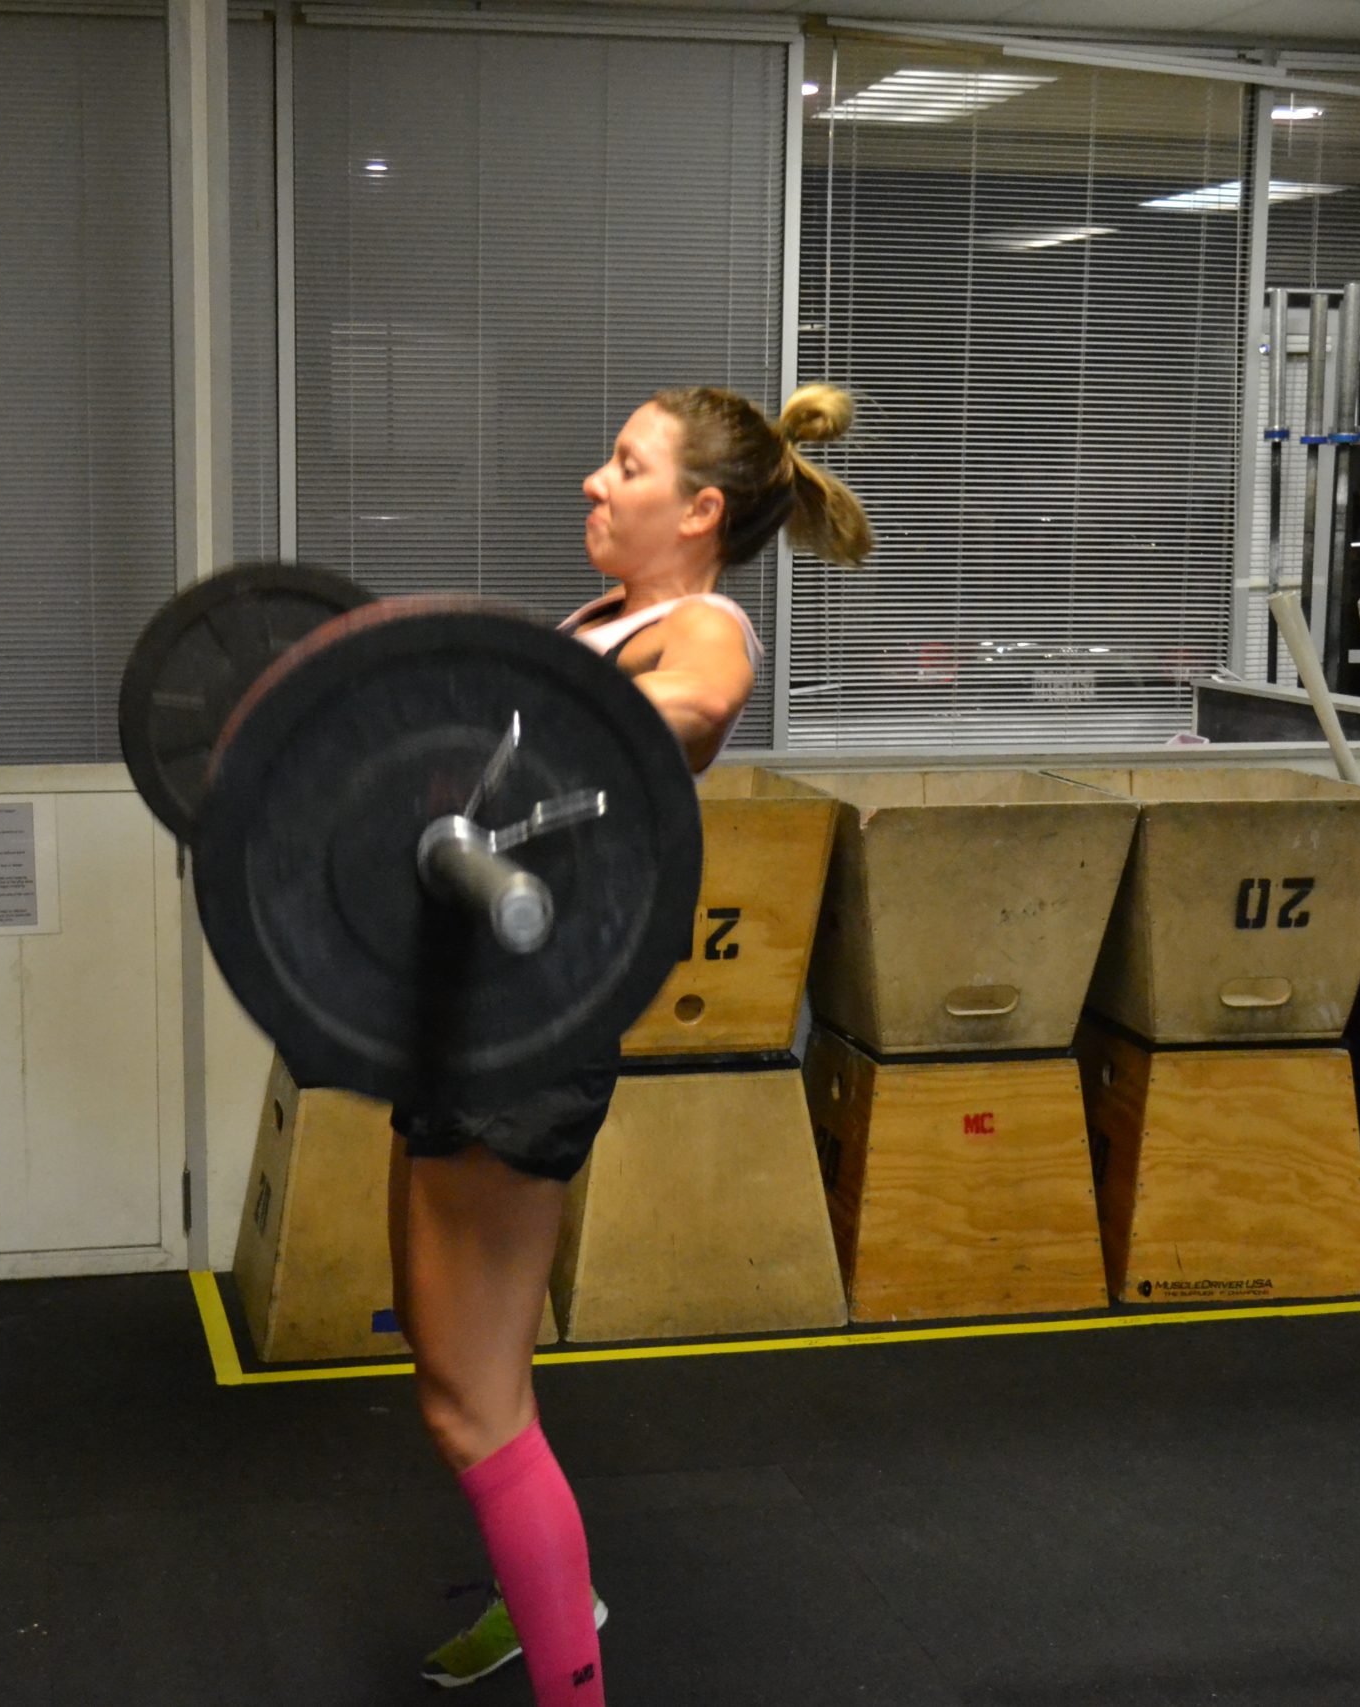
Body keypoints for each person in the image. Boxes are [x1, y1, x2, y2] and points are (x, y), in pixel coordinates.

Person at [394, 383, 873, 1700]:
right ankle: (543, 1593)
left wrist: (565, 729)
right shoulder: (594, 624)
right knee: (448, 1357)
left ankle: (570, 1665)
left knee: (471, 1402)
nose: (593, 483)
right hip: (467, 1009)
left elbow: (700, 707)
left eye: (626, 464)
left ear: (700, 509)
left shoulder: (699, 628)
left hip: (533, 1026)